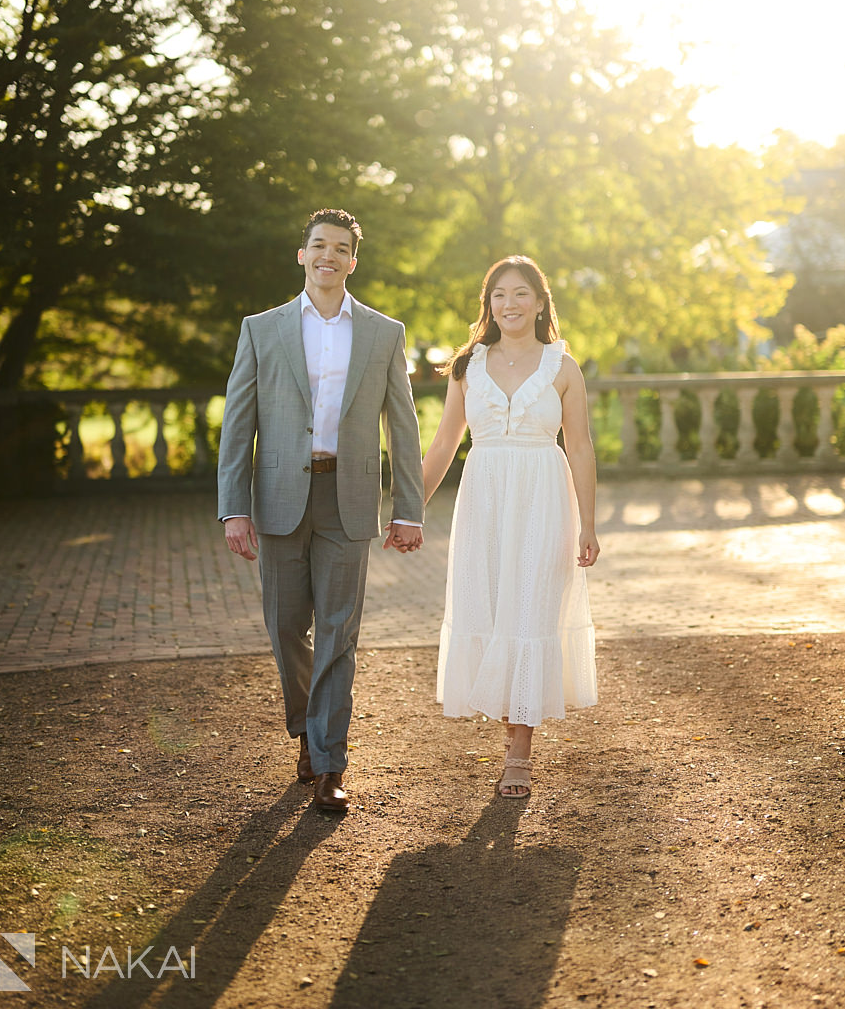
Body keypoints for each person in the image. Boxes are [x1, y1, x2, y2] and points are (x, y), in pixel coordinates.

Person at [217, 209, 424, 812]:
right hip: (279, 499)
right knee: (286, 629)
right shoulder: (263, 328)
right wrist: (234, 507)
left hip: (348, 499)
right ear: (302, 255)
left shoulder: (385, 333)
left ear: (352, 261)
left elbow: (403, 428)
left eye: (340, 248)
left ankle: (330, 759)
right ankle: (306, 728)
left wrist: (407, 508)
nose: (328, 255)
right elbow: (238, 424)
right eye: (318, 245)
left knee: (339, 631)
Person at [422, 256, 599, 798]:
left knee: (530, 608)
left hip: (545, 498)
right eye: (499, 295)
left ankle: (518, 752)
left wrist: (588, 523)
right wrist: (409, 509)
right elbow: (446, 443)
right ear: (489, 304)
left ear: (540, 302)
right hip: (484, 501)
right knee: (495, 608)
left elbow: (581, 445)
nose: (510, 304)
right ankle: (508, 729)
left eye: (521, 293)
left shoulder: (562, 367)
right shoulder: (467, 367)